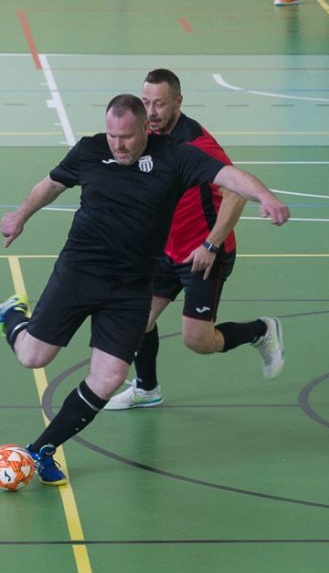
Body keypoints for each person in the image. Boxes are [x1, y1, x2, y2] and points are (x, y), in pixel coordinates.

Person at [0, 95, 291, 484]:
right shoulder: (90, 150)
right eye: (113, 136)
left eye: (126, 137)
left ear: (145, 128)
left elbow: (229, 176)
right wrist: (20, 215)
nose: (118, 145)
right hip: (79, 273)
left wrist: (265, 196)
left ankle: (40, 450)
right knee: (33, 356)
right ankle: (11, 315)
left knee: (110, 377)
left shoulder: (175, 156)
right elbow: (52, 184)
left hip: (131, 287)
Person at [104, 68, 283, 411]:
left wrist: (211, 244)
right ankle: (146, 388)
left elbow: (235, 194)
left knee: (198, 340)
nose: (151, 111)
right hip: (165, 251)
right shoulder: (144, 134)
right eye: (146, 102)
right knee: (137, 319)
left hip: (205, 252)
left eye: (159, 104)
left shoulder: (198, 144)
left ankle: (260, 330)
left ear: (178, 102)